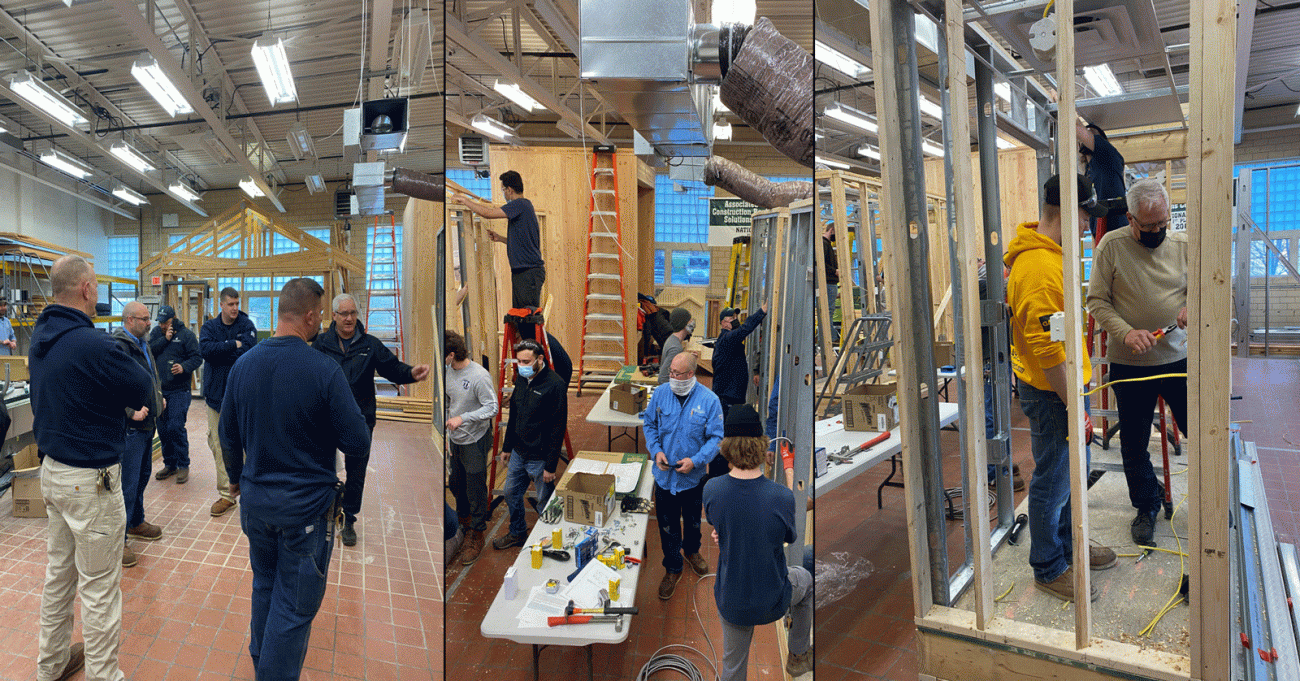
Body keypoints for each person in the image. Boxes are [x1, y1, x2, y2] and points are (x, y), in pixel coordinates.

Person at [220, 278, 370, 681]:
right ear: (308, 316)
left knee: (264, 588)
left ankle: (260, 666)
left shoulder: (243, 365)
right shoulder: (323, 370)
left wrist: (235, 479)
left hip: (256, 506)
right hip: (305, 512)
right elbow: (358, 439)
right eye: (320, 315)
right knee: (294, 608)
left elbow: (227, 435)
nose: (321, 321)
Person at [30, 255, 153, 681]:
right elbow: (143, 388)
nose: (97, 293)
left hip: (53, 475)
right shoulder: (95, 344)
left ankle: (52, 664)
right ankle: (105, 675)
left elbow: (73, 393)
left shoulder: (40, 337)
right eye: (96, 286)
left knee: (59, 577)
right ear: (85, 290)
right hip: (91, 483)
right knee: (99, 588)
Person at [1005, 174, 1117, 603]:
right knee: (1053, 482)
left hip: (1065, 391)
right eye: (1088, 215)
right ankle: (1049, 567)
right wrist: (1074, 407)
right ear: (1070, 211)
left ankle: (1070, 545)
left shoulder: (1053, 255)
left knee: (1071, 476)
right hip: (1054, 394)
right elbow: (1049, 354)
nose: (1090, 225)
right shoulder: (1038, 269)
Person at [1086, 178, 1188, 547]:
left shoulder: (1182, 244)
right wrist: (1127, 332)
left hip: (1177, 357)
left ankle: (1211, 500)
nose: (1158, 231)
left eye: (1163, 223)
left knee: (1202, 429)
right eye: (1149, 226)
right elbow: (1096, 300)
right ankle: (1146, 506)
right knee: (1133, 440)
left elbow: (1204, 286)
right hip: (1129, 363)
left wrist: (1193, 305)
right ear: (1130, 218)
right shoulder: (1111, 246)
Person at [704, 405, 813, 680]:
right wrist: (789, 474)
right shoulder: (781, 497)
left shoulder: (711, 489)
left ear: (726, 447)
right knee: (806, 580)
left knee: (732, 667)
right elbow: (789, 538)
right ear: (763, 447)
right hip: (772, 598)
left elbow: (721, 525)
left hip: (733, 599)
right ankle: (798, 655)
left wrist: (725, 535)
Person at [312, 293, 430, 546]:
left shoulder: (369, 344)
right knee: (322, 465)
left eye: (353, 313)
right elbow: (309, 374)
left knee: (356, 472)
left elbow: (392, 368)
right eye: (343, 313)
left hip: (360, 418)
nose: (349, 318)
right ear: (333, 316)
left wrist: (411, 373)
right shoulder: (322, 344)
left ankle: (348, 518)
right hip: (326, 417)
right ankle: (325, 509)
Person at [641, 352, 724, 600]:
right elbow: (650, 425)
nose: (672, 377)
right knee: (667, 526)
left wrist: (696, 460)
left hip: (693, 478)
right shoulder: (660, 394)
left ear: (691, 374)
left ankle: (692, 551)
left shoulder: (709, 401)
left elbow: (716, 438)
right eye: (671, 373)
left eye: (677, 374)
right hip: (665, 478)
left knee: (693, 521)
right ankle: (673, 567)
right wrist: (656, 452)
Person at [492, 338, 568, 550]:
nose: (522, 366)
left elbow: (557, 428)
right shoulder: (521, 381)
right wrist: (507, 447)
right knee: (510, 493)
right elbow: (515, 415)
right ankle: (517, 532)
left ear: (540, 359)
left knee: (545, 503)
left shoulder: (555, 385)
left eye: (527, 361)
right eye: (519, 362)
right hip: (518, 452)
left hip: (540, 457)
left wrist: (551, 465)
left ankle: (549, 542)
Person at [111, 301, 166, 567]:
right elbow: (108, 385)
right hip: (131, 428)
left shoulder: (142, 343)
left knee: (143, 477)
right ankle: (117, 542)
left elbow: (150, 377)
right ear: (130, 320)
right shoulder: (119, 346)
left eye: (149, 318)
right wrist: (129, 411)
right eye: (144, 319)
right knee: (128, 485)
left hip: (147, 425)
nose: (149, 323)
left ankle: (135, 522)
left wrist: (158, 398)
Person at [200, 287, 257, 517]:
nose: (235, 308)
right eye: (230, 304)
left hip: (242, 397)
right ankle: (227, 495)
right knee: (218, 444)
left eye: (237, 304)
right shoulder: (209, 327)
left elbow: (250, 352)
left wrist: (222, 350)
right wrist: (234, 344)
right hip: (215, 398)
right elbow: (206, 350)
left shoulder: (247, 326)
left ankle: (249, 490)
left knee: (245, 444)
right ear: (221, 305)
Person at [450, 170, 545, 308]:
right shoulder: (524, 208)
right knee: (520, 320)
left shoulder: (520, 204)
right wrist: (501, 238)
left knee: (527, 321)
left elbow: (488, 213)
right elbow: (524, 243)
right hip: (524, 273)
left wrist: (465, 200)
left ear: (510, 190)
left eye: (503, 190)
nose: (503, 193)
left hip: (528, 273)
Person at [444, 330, 498, 565]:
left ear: (452, 354)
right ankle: (464, 525)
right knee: (456, 483)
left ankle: (477, 532)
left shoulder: (478, 376)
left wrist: (463, 418)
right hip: (455, 440)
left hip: (475, 440)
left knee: (475, 488)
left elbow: (492, 407)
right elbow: (449, 402)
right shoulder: (447, 372)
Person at [710, 302, 768, 477]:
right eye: (730, 319)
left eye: (735, 318)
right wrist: (762, 312)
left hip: (730, 398)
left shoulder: (729, 340)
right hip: (726, 400)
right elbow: (744, 330)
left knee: (726, 439)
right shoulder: (727, 339)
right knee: (723, 441)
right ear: (723, 323)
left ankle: (721, 475)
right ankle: (717, 478)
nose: (734, 321)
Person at [150, 305, 202, 484]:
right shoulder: (157, 333)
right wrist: (165, 339)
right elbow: (149, 351)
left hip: (180, 390)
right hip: (161, 391)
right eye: (161, 322)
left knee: (175, 426)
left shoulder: (186, 335)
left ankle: (183, 465)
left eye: (166, 322)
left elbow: (197, 357)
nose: (163, 325)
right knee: (163, 429)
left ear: (173, 319)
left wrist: (184, 367)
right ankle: (169, 464)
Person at [1078, 121, 1128, 239]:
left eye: (1093, 134)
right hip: (1100, 228)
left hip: (1116, 226)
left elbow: (1078, 130)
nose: (1088, 136)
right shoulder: (1088, 170)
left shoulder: (1110, 155)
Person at [657, 307, 694, 385]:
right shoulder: (676, 348)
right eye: (690, 320)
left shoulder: (672, 339)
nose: (692, 323)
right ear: (684, 324)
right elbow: (663, 378)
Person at [823, 226, 840, 343]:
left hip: (830, 284)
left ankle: (829, 337)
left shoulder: (827, 244)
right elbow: (821, 264)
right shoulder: (824, 244)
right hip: (829, 283)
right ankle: (831, 338)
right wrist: (835, 271)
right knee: (829, 311)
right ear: (832, 230)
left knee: (828, 311)